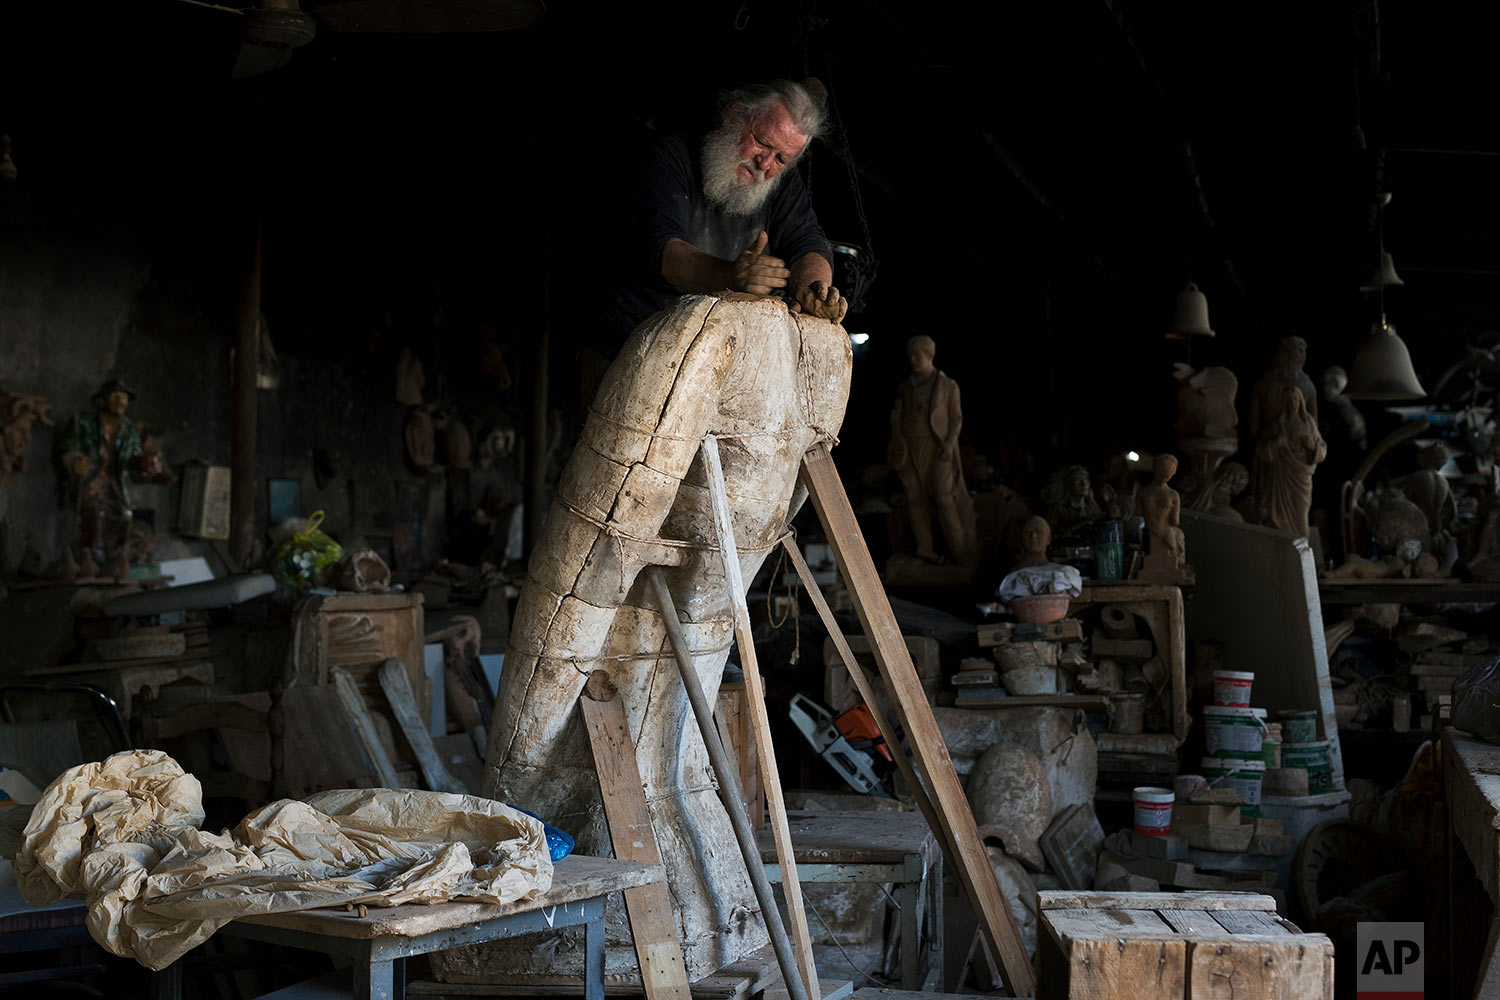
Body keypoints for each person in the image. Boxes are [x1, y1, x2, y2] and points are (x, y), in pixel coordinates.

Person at [594, 79, 848, 363]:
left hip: (719, 354)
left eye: (781, 159)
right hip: (633, 344)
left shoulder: (784, 185)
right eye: (762, 143)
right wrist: (731, 276)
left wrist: (814, 289)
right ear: (735, 115)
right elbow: (662, 248)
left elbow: (807, 241)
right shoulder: (671, 154)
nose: (765, 165)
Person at [886, 335, 977, 566]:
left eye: (918, 355)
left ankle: (962, 552)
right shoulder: (906, 387)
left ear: (929, 355)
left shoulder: (947, 386)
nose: (913, 359)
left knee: (944, 498)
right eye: (911, 355)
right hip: (911, 448)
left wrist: (948, 442)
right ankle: (925, 548)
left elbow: (956, 418)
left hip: (936, 447)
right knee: (914, 497)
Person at [59, 379, 142, 568]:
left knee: (125, 516)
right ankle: (90, 559)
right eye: (115, 395)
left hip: (115, 483)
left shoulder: (130, 430)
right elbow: (69, 448)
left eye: (124, 397)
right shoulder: (84, 421)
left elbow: (135, 456)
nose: (120, 400)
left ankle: (115, 560)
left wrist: (142, 463)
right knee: (96, 512)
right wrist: (76, 461)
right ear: (105, 398)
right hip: (90, 479)